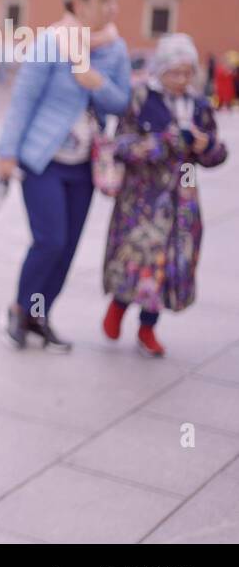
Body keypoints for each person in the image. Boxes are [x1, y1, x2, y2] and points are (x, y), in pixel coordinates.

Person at [0, 0, 132, 351]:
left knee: (68, 246)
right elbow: (23, 99)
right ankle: (21, 309)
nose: (112, 8)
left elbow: (121, 101)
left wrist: (96, 82)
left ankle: (41, 314)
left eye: (113, 1)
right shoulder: (51, 42)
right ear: (79, 3)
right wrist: (6, 152)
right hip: (44, 160)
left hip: (86, 166)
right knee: (50, 240)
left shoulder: (114, 49)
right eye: (104, 1)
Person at [102, 34, 227, 357]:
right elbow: (122, 146)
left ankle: (148, 328)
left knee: (169, 266)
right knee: (136, 259)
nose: (182, 80)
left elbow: (217, 153)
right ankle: (118, 306)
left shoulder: (199, 104)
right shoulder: (141, 97)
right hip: (142, 199)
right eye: (175, 72)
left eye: (188, 73)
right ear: (161, 70)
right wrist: (163, 141)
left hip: (181, 200)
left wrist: (205, 145)